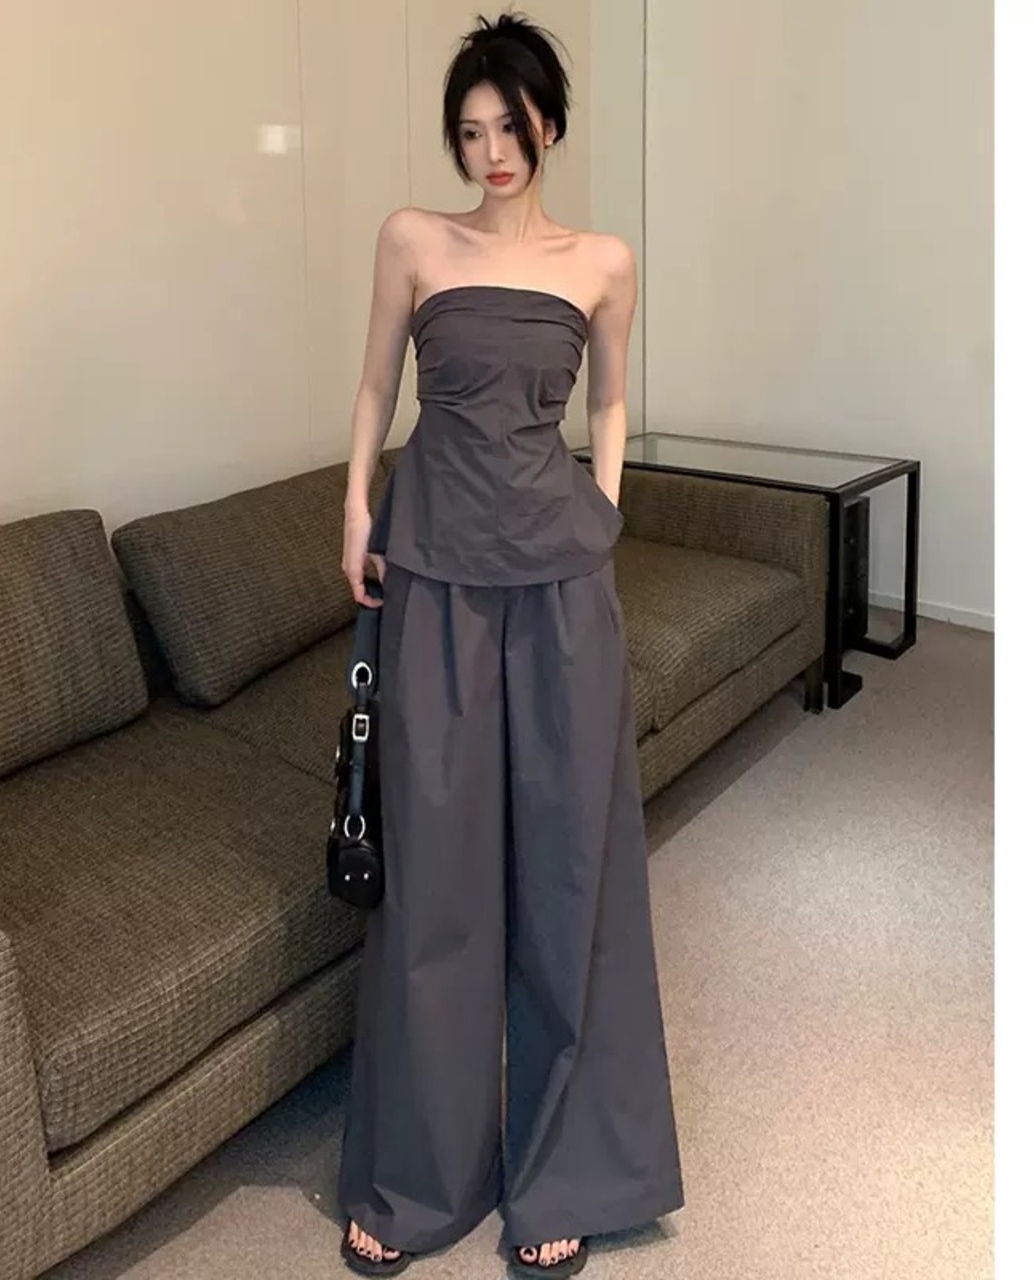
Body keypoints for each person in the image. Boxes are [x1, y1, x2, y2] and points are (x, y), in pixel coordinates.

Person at [337, 13, 684, 1277]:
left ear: (548, 123)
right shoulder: (410, 241)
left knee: (566, 868)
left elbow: (611, 399)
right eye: (469, 130)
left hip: (557, 581)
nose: (490, 150)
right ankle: (419, 1176)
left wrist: (603, 510)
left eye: (510, 125)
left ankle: (565, 1171)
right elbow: (376, 385)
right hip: (430, 571)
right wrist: (355, 510)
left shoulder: (603, 261)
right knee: (435, 878)